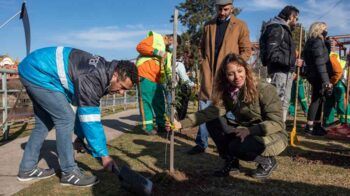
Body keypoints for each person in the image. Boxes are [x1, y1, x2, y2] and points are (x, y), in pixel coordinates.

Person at [17, 47, 138, 187]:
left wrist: (79, 137)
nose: (122, 93)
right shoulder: (93, 77)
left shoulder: (104, 77)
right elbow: (91, 121)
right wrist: (104, 155)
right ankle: (69, 173)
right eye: (122, 87)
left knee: (44, 123)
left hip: (34, 68)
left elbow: (82, 108)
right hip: (38, 72)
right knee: (65, 118)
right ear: (116, 75)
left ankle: (27, 168)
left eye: (126, 90)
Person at [167, 53, 287, 179]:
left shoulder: (264, 89)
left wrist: (250, 131)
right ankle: (231, 161)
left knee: (237, 147)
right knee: (213, 120)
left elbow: (277, 123)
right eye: (231, 74)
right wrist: (180, 124)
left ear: (246, 70)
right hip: (246, 130)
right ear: (225, 76)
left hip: (271, 133)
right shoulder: (229, 93)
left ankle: (267, 162)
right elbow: (209, 113)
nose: (237, 77)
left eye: (239, 71)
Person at [189, 0, 252, 154]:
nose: (222, 12)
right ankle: (201, 143)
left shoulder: (240, 25)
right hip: (209, 74)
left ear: (232, 8)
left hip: (228, 76)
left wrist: (236, 66)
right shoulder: (208, 25)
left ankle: (230, 144)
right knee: (204, 107)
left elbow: (246, 50)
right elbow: (201, 47)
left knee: (229, 112)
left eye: (226, 9)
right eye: (219, 9)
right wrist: (203, 62)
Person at [260, 5, 303, 122]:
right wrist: (293, 61)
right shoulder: (277, 28)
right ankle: (274, 130)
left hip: (286, 71)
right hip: (279, 72)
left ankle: (280, 130)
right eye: (296, 18)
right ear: (291, 16)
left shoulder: (283, 29)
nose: (296, 21)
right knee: (277, 103)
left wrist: (294, 63)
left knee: (284, 103)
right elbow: (272, 54)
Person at [136, 32, 180, 135]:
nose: (174, 47)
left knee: (159, 102)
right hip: (145, 74)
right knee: (146, 101)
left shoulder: (168, 52)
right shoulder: (155, 38)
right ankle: (148, 127)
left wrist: (171, 79)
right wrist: (157, 52)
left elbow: (167, 68)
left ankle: (161, 125)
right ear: (171, 39)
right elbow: (140, 47)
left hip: (158, 79)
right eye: (175, 44)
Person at [303, 22, 333, 135]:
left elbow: (324, 56)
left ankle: (315, 124)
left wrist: (327, 44)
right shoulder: (317, 42)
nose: (326, 31)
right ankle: (310, 126)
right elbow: (320, 62)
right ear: (319, 29)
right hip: (318, 74)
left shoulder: (312, 42)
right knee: (317, 99)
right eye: (325, 29)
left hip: (315, 74)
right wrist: (326, 81)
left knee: (319, 98)